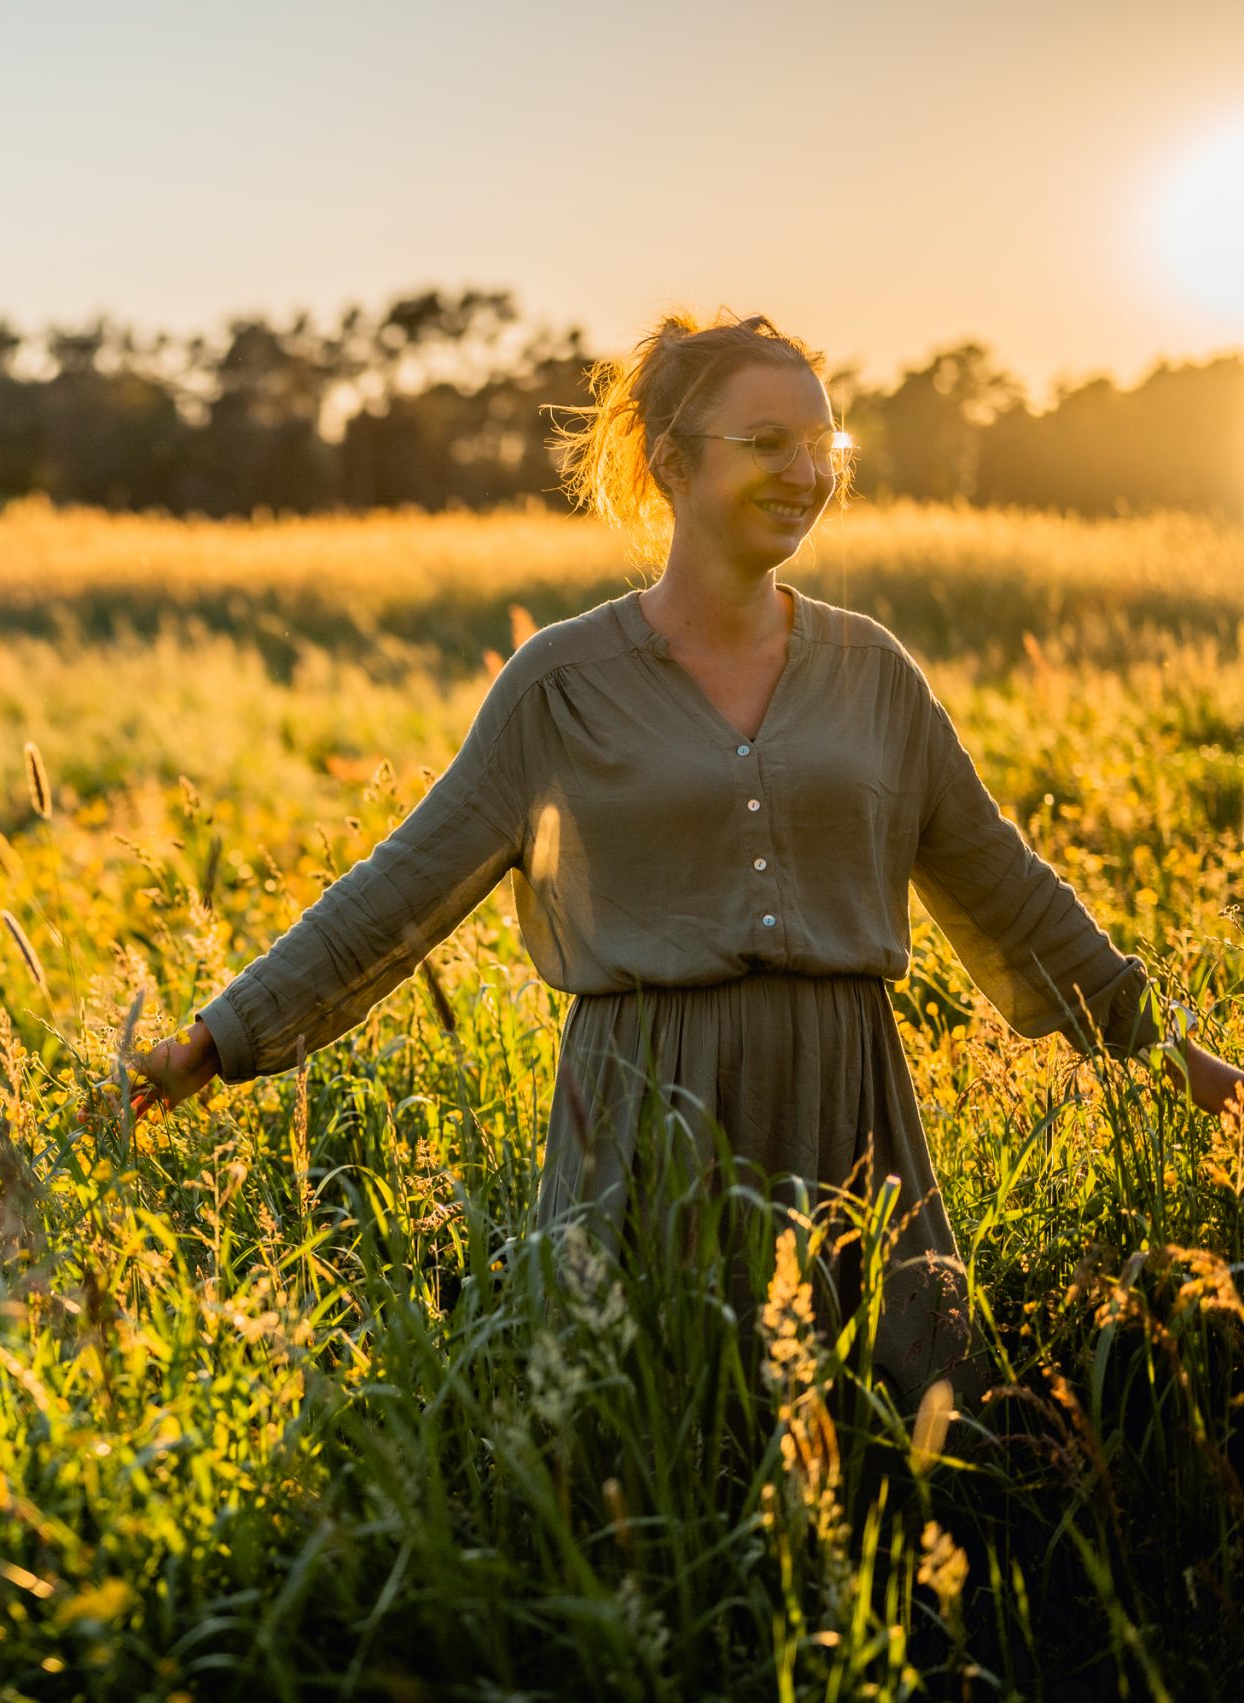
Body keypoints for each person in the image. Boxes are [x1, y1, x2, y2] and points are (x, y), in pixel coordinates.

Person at [128, 309, 1244, 1399]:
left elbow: (1007, 891)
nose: (806, 472)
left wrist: (1169, 1053)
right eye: (768, 444)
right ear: (669, 463)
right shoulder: (560, 685)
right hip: (639, 1123)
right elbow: (401, 888)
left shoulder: (873, 674)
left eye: (823, 444)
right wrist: (217, 1041)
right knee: (647, 1444)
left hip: (846, 1116)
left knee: (883, 1449)